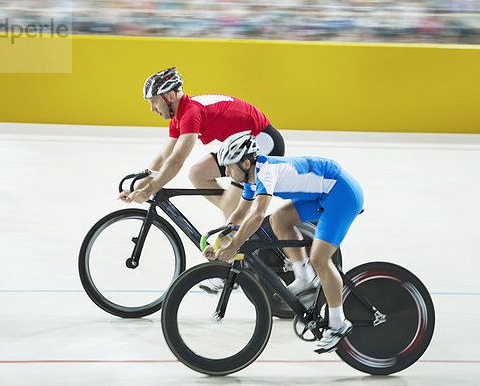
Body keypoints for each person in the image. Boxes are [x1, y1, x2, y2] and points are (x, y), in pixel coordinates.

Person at [202, 131, 364, 353]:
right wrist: (220, 242)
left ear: (246, 163)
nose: (227, 173)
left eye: (229, 167)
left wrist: (234, 247)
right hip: (322, 192)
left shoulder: (265, 172)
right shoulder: (250, 178)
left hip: (341, 193)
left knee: (320, 258)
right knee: (279, 219)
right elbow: (239, 215)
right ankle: (304, 275)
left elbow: (257, 215)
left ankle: (338, 323)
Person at [119, 67, 285, 220]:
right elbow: (163, 158)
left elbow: (177, 160)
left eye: (154, 101)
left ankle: (242, 236)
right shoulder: (178, 118)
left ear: (170, 96)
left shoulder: (191, 114)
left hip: (264, 142)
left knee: (231, 208)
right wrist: (137, 189)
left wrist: (149, 190)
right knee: (198, 174)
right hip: (242, 148)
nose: (152, 109)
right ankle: (243, 222)